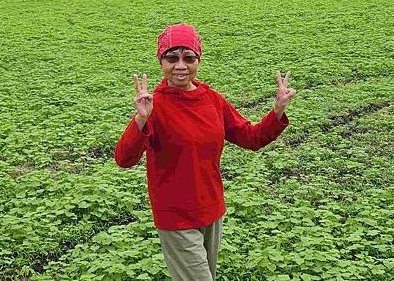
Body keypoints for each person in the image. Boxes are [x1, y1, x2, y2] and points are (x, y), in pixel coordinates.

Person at [114, 23, 296, 281]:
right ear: (160, 60)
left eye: (189, 58)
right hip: (175, 216)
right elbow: (124, 158)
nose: (180, 66)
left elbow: (251, 138)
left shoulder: (211, 99)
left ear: (198, 60)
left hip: (211, 210)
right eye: (172, 58)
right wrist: (141, 120)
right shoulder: (154, 106)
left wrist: (277, 111)